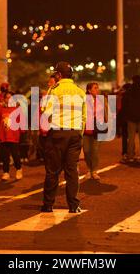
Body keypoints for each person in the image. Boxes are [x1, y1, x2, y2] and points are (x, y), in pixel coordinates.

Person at [41, 62, 86, 213]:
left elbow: (46, 112)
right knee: (72, 171)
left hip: (58, 133)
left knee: (53, 171)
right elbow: (84, 116)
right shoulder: (80, 91)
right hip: (75, 134)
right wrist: (80, 133)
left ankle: (48, 205)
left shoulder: (55, 90)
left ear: (59, 75)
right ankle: (73, 205)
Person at [121, 75, 140, 163]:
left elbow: (124, 105)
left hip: (131, 118)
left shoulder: (129, 91)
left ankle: (130, 156)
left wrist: (126, 115)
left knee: (131, 138)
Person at [0, 91, 23, 181]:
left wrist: (22, 130)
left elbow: (21, 121)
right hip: (3, 136)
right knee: (5, 156)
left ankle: (18, 169)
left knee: (15, 155)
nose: (9, 100)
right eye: (7, 98)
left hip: (14, 136)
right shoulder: (1, 109)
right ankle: (6, 172)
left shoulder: (17, 109)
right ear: (4, 99)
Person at [83, 83, 104, 180]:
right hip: (86, 130)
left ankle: (94, 170)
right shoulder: (84, 100)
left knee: (95, 151)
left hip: (96, 129)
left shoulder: (100, 100)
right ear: (89, 90)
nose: (97, 90)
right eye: (95, 88)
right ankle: (88, 169)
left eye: (97, 88)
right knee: (86, 151)